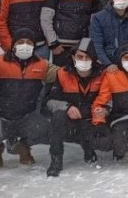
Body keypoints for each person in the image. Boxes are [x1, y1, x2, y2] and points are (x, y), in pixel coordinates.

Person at [0, 28, 58, 170]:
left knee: (45, 127)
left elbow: (62, 75)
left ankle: (22, 146)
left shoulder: (42, 64)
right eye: (21, 42)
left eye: (29, 43)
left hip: (26, 115)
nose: (25, 45)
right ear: (13, 45)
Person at [45, 38, 103, 176]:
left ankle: (89, 146)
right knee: (58, 117)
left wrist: (103, 110)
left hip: (92, 119)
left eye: (87, 57)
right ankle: (56, 159)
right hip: (71, 120)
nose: (83, 60)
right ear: (73, 57)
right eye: (80, 56)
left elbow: (108, 98)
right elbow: (48, 102)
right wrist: (67, 107)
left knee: (107, 141)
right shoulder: (62, 73)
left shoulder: (102, 74)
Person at [41, 0, 97, 66]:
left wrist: (90, 43)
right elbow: (46, 16)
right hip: (61, 46)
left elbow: (94, 19)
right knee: (61, 74)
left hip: (82, 45)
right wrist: (53, 43)